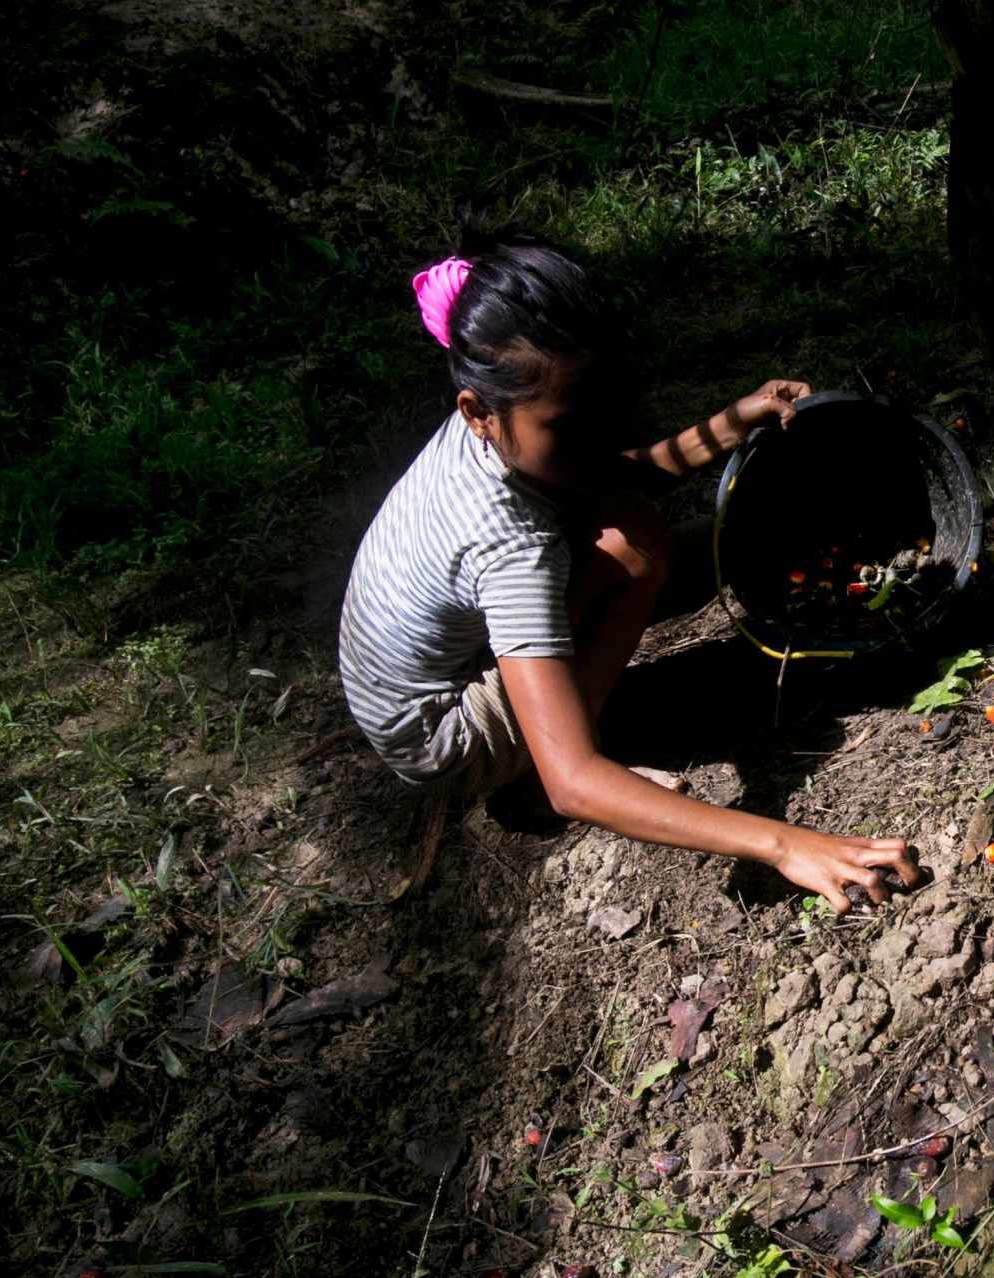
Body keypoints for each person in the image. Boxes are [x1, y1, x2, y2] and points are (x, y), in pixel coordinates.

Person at [338, 235, 918, 910]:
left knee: (660, 531)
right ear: (478, 414)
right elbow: (573, 782)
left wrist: (733, 422)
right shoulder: (506, 547)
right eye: (572, 425)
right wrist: (786, 843)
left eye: (610, 412)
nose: (599, 441)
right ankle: (518, 783)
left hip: (433, 671)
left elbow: (607, 471)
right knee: (635, 541)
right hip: (447, 733)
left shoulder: (506, 424)